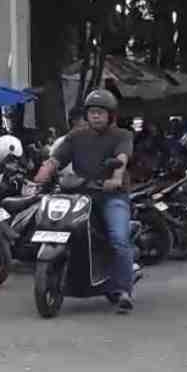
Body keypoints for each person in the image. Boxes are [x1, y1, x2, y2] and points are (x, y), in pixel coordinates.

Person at [30, 89, 136, 313]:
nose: (96, 116)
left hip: (111, 196)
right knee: (58, 226)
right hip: (80, 195)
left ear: (110, 115)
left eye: (100, 112)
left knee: (118, 238)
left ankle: (124, 290)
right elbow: (56, 159)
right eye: (92, 112)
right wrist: (41, 175)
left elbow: (122, 158)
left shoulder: (122, 136)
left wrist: (116, 178)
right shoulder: (76, 136)